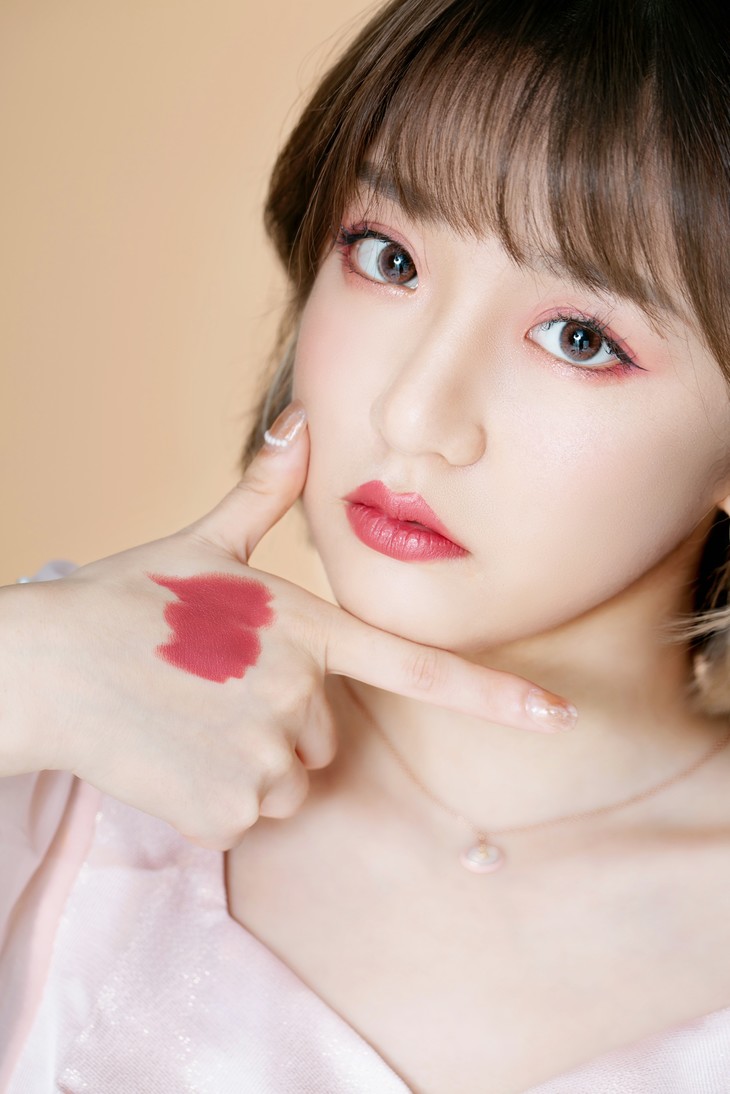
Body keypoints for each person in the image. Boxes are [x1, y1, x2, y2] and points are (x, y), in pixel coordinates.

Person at [2, 0, 730, 1089]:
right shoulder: (72, 739)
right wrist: (26, 670)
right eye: (388, 258)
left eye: (580, 338)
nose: (413, 412)